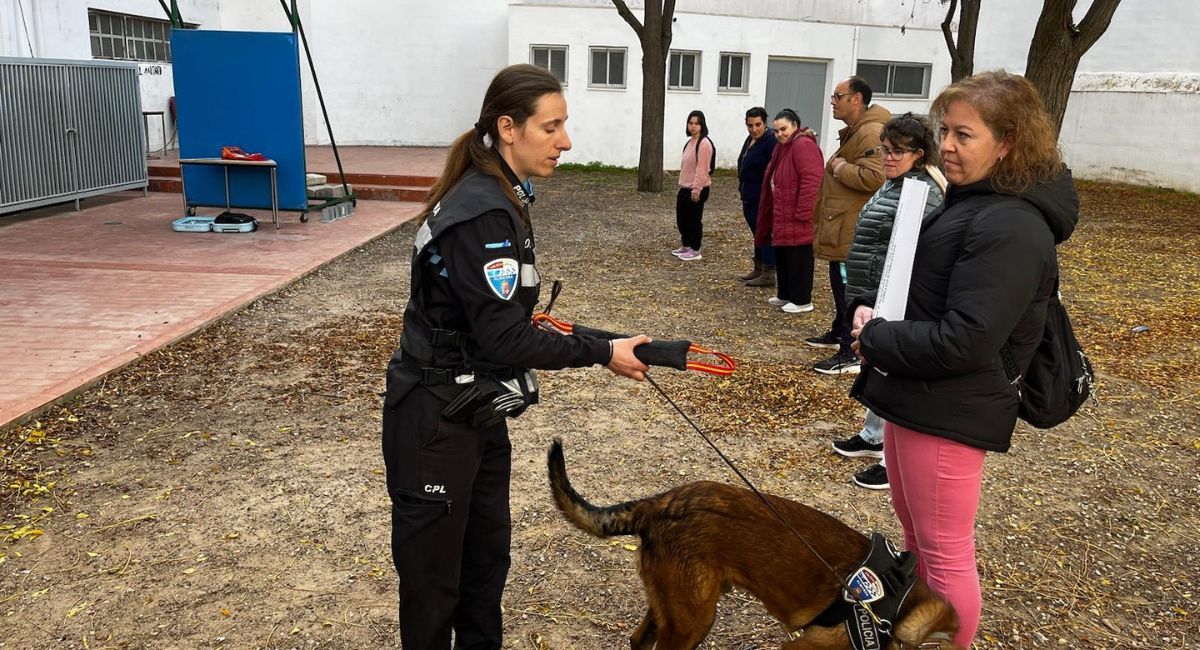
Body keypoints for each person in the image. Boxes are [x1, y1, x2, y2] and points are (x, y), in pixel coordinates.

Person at [381, 64, 651, 650]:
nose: (566, 141)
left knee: (484, 569)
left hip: (474, 410)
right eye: (551, 127)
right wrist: (602, 352)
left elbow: (504, 324)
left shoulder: (502, 194)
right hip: (434, 421)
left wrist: (610, 343)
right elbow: (506, 338)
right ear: (508, 128)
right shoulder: (483, 210)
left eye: (565, 125)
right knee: (434, 588)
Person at [848, 71, 1079, 647]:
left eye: (964, 135)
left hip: (950, 407)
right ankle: (919, 632)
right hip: (916, 395)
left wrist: (876, 339)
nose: (946, 145)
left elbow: (965, 340)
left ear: (1007, 143)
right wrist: (878, 314)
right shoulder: (975, 202)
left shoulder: (1011, 224)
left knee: (945, 553)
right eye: (943, 130)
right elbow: (936, 300)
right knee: (918, 538)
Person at [830, 113, 946, 490]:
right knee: (875, 364)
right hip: (873, 290)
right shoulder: (896, 183)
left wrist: (887, 295)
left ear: (920, 153)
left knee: (891, 371)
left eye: (898, 151)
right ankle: (873, 434)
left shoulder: (922, 193)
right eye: (885, 149)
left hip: (893, 295)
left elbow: (914, 251)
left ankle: (890, 459)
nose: (889, 157)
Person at [807, 76, 890, 374]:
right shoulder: (858, 131)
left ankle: (850, 350)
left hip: (854, 230)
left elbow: (875, 177)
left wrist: (841, 168)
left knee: (849, 290)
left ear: (856, 99)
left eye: (837, 96)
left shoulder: (870, 132)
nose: (832, 101)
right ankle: (839, 332)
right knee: (840, 286)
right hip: (844, 227)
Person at [754, 109, 823, 314]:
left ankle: (802, 299)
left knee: (799, 257)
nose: (779, 134)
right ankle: (785, 293)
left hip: (797, 214)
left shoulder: (803, 145)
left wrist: (804, 212)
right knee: (783, 255)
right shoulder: (783, 147)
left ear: (795, 125)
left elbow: (812, 180)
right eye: (776, 131)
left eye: (783, 129)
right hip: (783, 212)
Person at [736, 106, 778, 286]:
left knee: (765, 232)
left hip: (761, 194)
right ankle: (758, 266)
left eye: (757, 125)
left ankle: (769, 271)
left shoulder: (770, 142)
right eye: (750, 125)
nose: (754, 129)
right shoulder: (750, 139)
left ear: (765, 123)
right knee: (757, 232)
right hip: (748, 193)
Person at [672, 110, 714, 261]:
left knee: (694, 219)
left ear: (702, 125)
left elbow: (702, 168)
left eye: (697, 123)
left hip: (698, 188)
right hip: (685, 187)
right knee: (682, 219)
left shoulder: (704, 144)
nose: (693, 126)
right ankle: (686, 245)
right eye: (691, 123)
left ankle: (695, 249)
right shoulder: (690, 143)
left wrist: (697, 189)